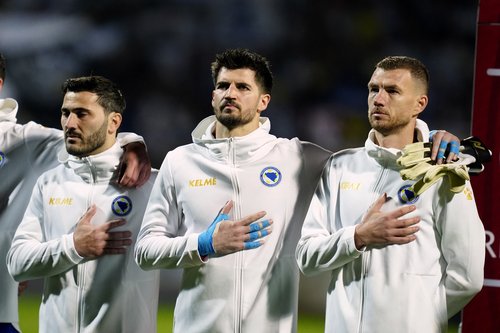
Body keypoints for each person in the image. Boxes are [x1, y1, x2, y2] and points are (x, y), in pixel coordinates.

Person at [134, 49, 464, 333]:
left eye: (242, 87)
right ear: (212, 96)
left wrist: (428, 134)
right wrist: (204, 244)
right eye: (222, 86)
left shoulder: (297, 157)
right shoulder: (180, 161)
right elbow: (145, 251)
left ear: (264, 100)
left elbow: (372, 161)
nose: (230, 93)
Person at [295, 56, 485, 332]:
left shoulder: (444, 171)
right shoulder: (340, 166)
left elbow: (468, 276)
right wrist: (358, 237)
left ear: (420, 104)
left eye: (392, 91)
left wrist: (417, 320)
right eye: (374, 89)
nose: (379, 99)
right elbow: (306, 258)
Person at [0, 54, 151, 333]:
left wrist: (133, 143)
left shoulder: (22, 141)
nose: (70, 121)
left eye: (77, 113)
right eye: (66, 113)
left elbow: (93, 142)